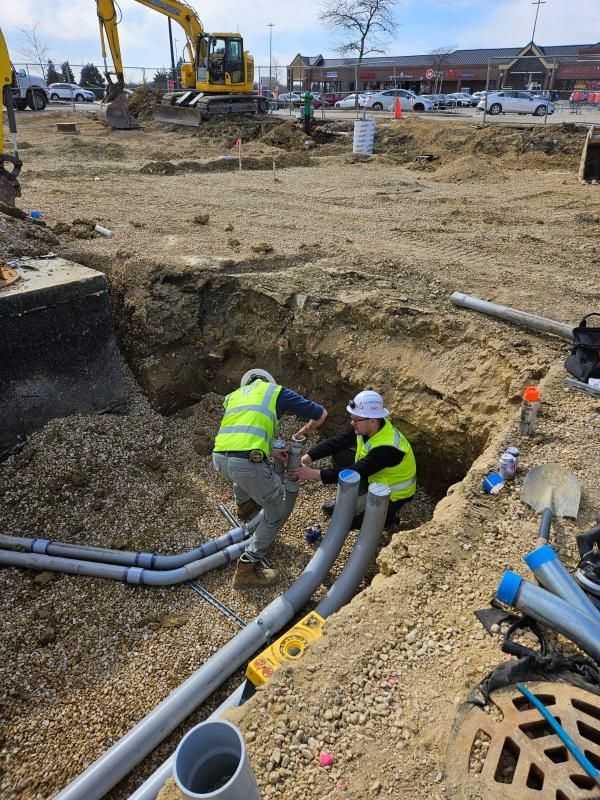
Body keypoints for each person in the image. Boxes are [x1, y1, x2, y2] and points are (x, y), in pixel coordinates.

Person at [213, 368, 327, 589]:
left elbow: (243, 435)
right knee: (275, 512)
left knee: (242, 474)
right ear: (268, 382)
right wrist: (304, 432)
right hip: (245, 463)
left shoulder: (233, 396)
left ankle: (244, 506)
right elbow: (321, 413)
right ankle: (247, 569)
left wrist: (271, 452)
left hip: (219, 458)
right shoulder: (277, 392)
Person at [296, 390, 416, 527]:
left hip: (393, 494)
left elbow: (356, 471)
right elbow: (338, 441)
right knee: (340, 456)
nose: (352, 423)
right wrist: (308, 457)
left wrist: (312, 474)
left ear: (372, 421)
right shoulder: (368, 427)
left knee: (354, 523)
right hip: (374, 475)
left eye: (356, 419)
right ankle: (349, 504)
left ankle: (388, 518)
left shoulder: (388, 448)